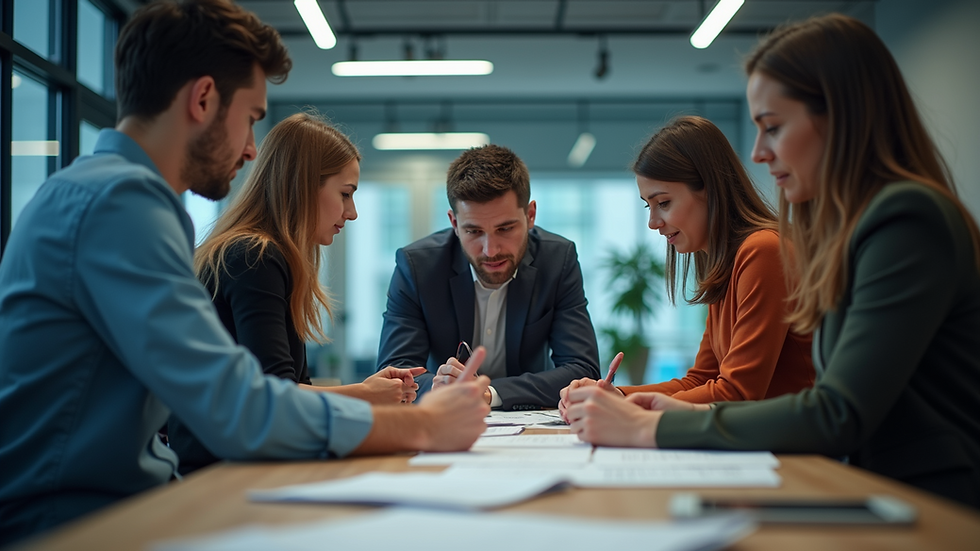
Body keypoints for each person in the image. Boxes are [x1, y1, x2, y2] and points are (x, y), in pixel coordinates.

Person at [0, 1, 489, 544]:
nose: (254, 147)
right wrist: (424, 424)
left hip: (129, 503)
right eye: (252, 118)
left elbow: (226, 394)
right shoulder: (122, 202)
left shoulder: (95, 192)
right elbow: (237, 407)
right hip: (78, 524)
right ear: (203, 99)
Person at [565, 14, 980, 508]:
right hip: (874, 485)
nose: (759, 152)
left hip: (934, 501)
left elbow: (835, 411)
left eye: (774, 127)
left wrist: (650, 425)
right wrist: (636, 404)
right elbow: (712, 381)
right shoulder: (848, 232)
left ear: (841, 117)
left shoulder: (906, 219)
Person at [167, 112, 428, 475]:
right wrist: (366, 396)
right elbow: (278, 395)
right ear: (304, 186)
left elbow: (290, 388)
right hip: (220, 471)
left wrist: (365, 390)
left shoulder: (263, 255)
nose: (351, 213)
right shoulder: (254, 256)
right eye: (345, 194)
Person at [558, 116, 814, 419]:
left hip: (798, 453)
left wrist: (624, 408)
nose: (653, 223)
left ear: (709, 189)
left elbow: (738, 393)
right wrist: (616, 394)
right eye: (648, 205)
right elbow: (701, 379)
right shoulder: (725, 264)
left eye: (663, 203)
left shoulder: (763, 251)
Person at [377, 144, 601, 410]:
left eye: (505, 228)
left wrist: (489, 393)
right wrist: (438, 386)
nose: (490, 250)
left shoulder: (557, 260)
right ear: (454, 223)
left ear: (530, 215)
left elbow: (582, 369)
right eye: (473, 231)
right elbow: (396, 373)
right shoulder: (417, 266)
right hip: (445, 418)